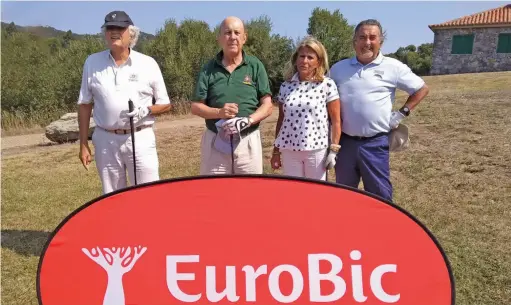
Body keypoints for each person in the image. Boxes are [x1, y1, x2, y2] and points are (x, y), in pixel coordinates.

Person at [329, 19, 429, 201]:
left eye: (372, 37)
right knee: (343, 195)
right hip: (344, 144)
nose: (367, 42)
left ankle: (383, 229)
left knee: (380, 196)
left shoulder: (393, 67)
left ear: (380, 41)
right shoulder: (338, 69)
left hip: (375, 143)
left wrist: (401, 113)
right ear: (354, 42)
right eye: (362, 37)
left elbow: (421, 89)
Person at [77, 10, 172, 194]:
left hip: (140, 137)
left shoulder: (148, 63)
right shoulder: (92, 62)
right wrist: (83, 144)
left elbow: (166, 104)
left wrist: (147, 110)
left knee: (148, 194)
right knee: (112, 196)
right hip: (105, 140)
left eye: (120, 28)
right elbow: (85, 104)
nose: (114, 32)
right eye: (109, 28)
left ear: (131, 34)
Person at [190, 16, 273, 175]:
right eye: (227, 33)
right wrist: (219, 112)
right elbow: (195, 106)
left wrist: (247, 121)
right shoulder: (208, 68)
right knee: (215, 193)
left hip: (248, 140)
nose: (233, 37)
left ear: (244, 38)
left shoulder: (255, 66)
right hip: (215, 141)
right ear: (219, 38)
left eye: (237, 32)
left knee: (249, 193)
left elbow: (268, 105)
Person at [270, 36, 341, 181]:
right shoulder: (286, 86)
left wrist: (333, 150)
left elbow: (336, 120)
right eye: (302, 56)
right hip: (289, 150)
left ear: (318, 62)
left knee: (316, 195)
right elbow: (281, 120)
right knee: (293, 193)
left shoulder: (327, 85)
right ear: (296, 59)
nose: (305, 61)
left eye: (310, 57)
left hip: (316, 150)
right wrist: (276, 151)